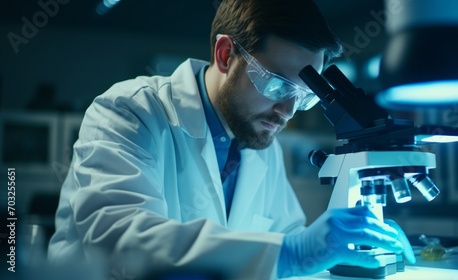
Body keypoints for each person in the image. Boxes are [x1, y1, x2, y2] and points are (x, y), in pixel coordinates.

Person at [48, 0, 415, 279]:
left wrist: (344, 247)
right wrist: (289, 255)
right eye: (277, 85)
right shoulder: (132, 110)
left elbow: (284, 233)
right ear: (225, 55)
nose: (287, 111)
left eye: (304, 98)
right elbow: (118, 241)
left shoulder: (259, 138)